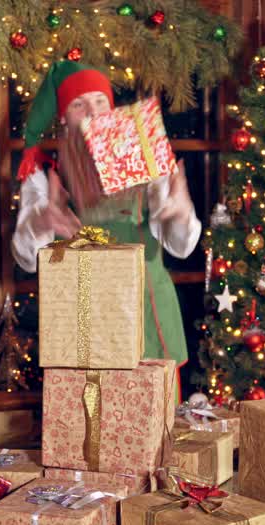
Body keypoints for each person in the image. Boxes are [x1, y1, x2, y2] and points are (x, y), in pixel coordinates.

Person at [13, 60, 202, 366]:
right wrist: (42, 220)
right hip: (85, 323)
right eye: (79, 104)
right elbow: (26, 257)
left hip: (149, 317)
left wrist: (179, 213)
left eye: (100, 101)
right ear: (63, 117)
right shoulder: (46, 174)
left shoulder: (149, 157)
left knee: (159, 413)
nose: (93, 112)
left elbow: (181, 247)